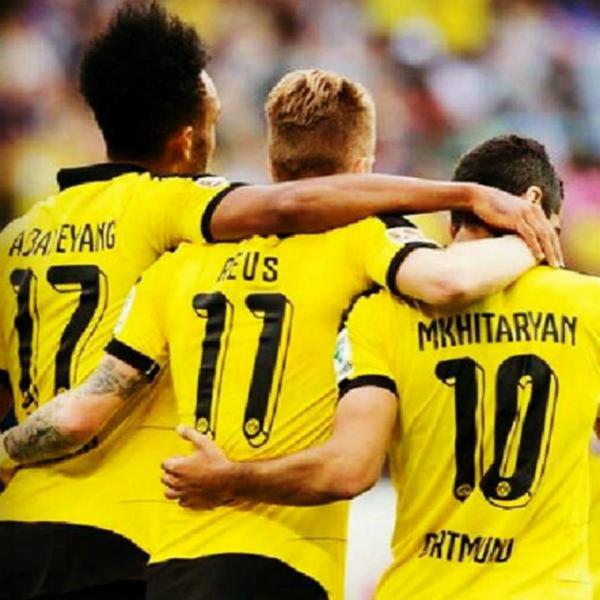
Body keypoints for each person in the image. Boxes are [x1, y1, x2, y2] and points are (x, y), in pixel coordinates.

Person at [1, 73, 556, 600]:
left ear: (271, 163)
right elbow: (449, 281)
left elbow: (84, 410)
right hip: (286, 558)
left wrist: (7, 449)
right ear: (362, 169)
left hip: (174, 563)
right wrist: (533, 237)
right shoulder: (362, 239)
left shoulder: (181, 262)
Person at [166, 134, 600, 599]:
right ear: (534, 206)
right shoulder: (588, 305)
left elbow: (348, 469)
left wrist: (231, 478)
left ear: (452, 223)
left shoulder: (379, 313)